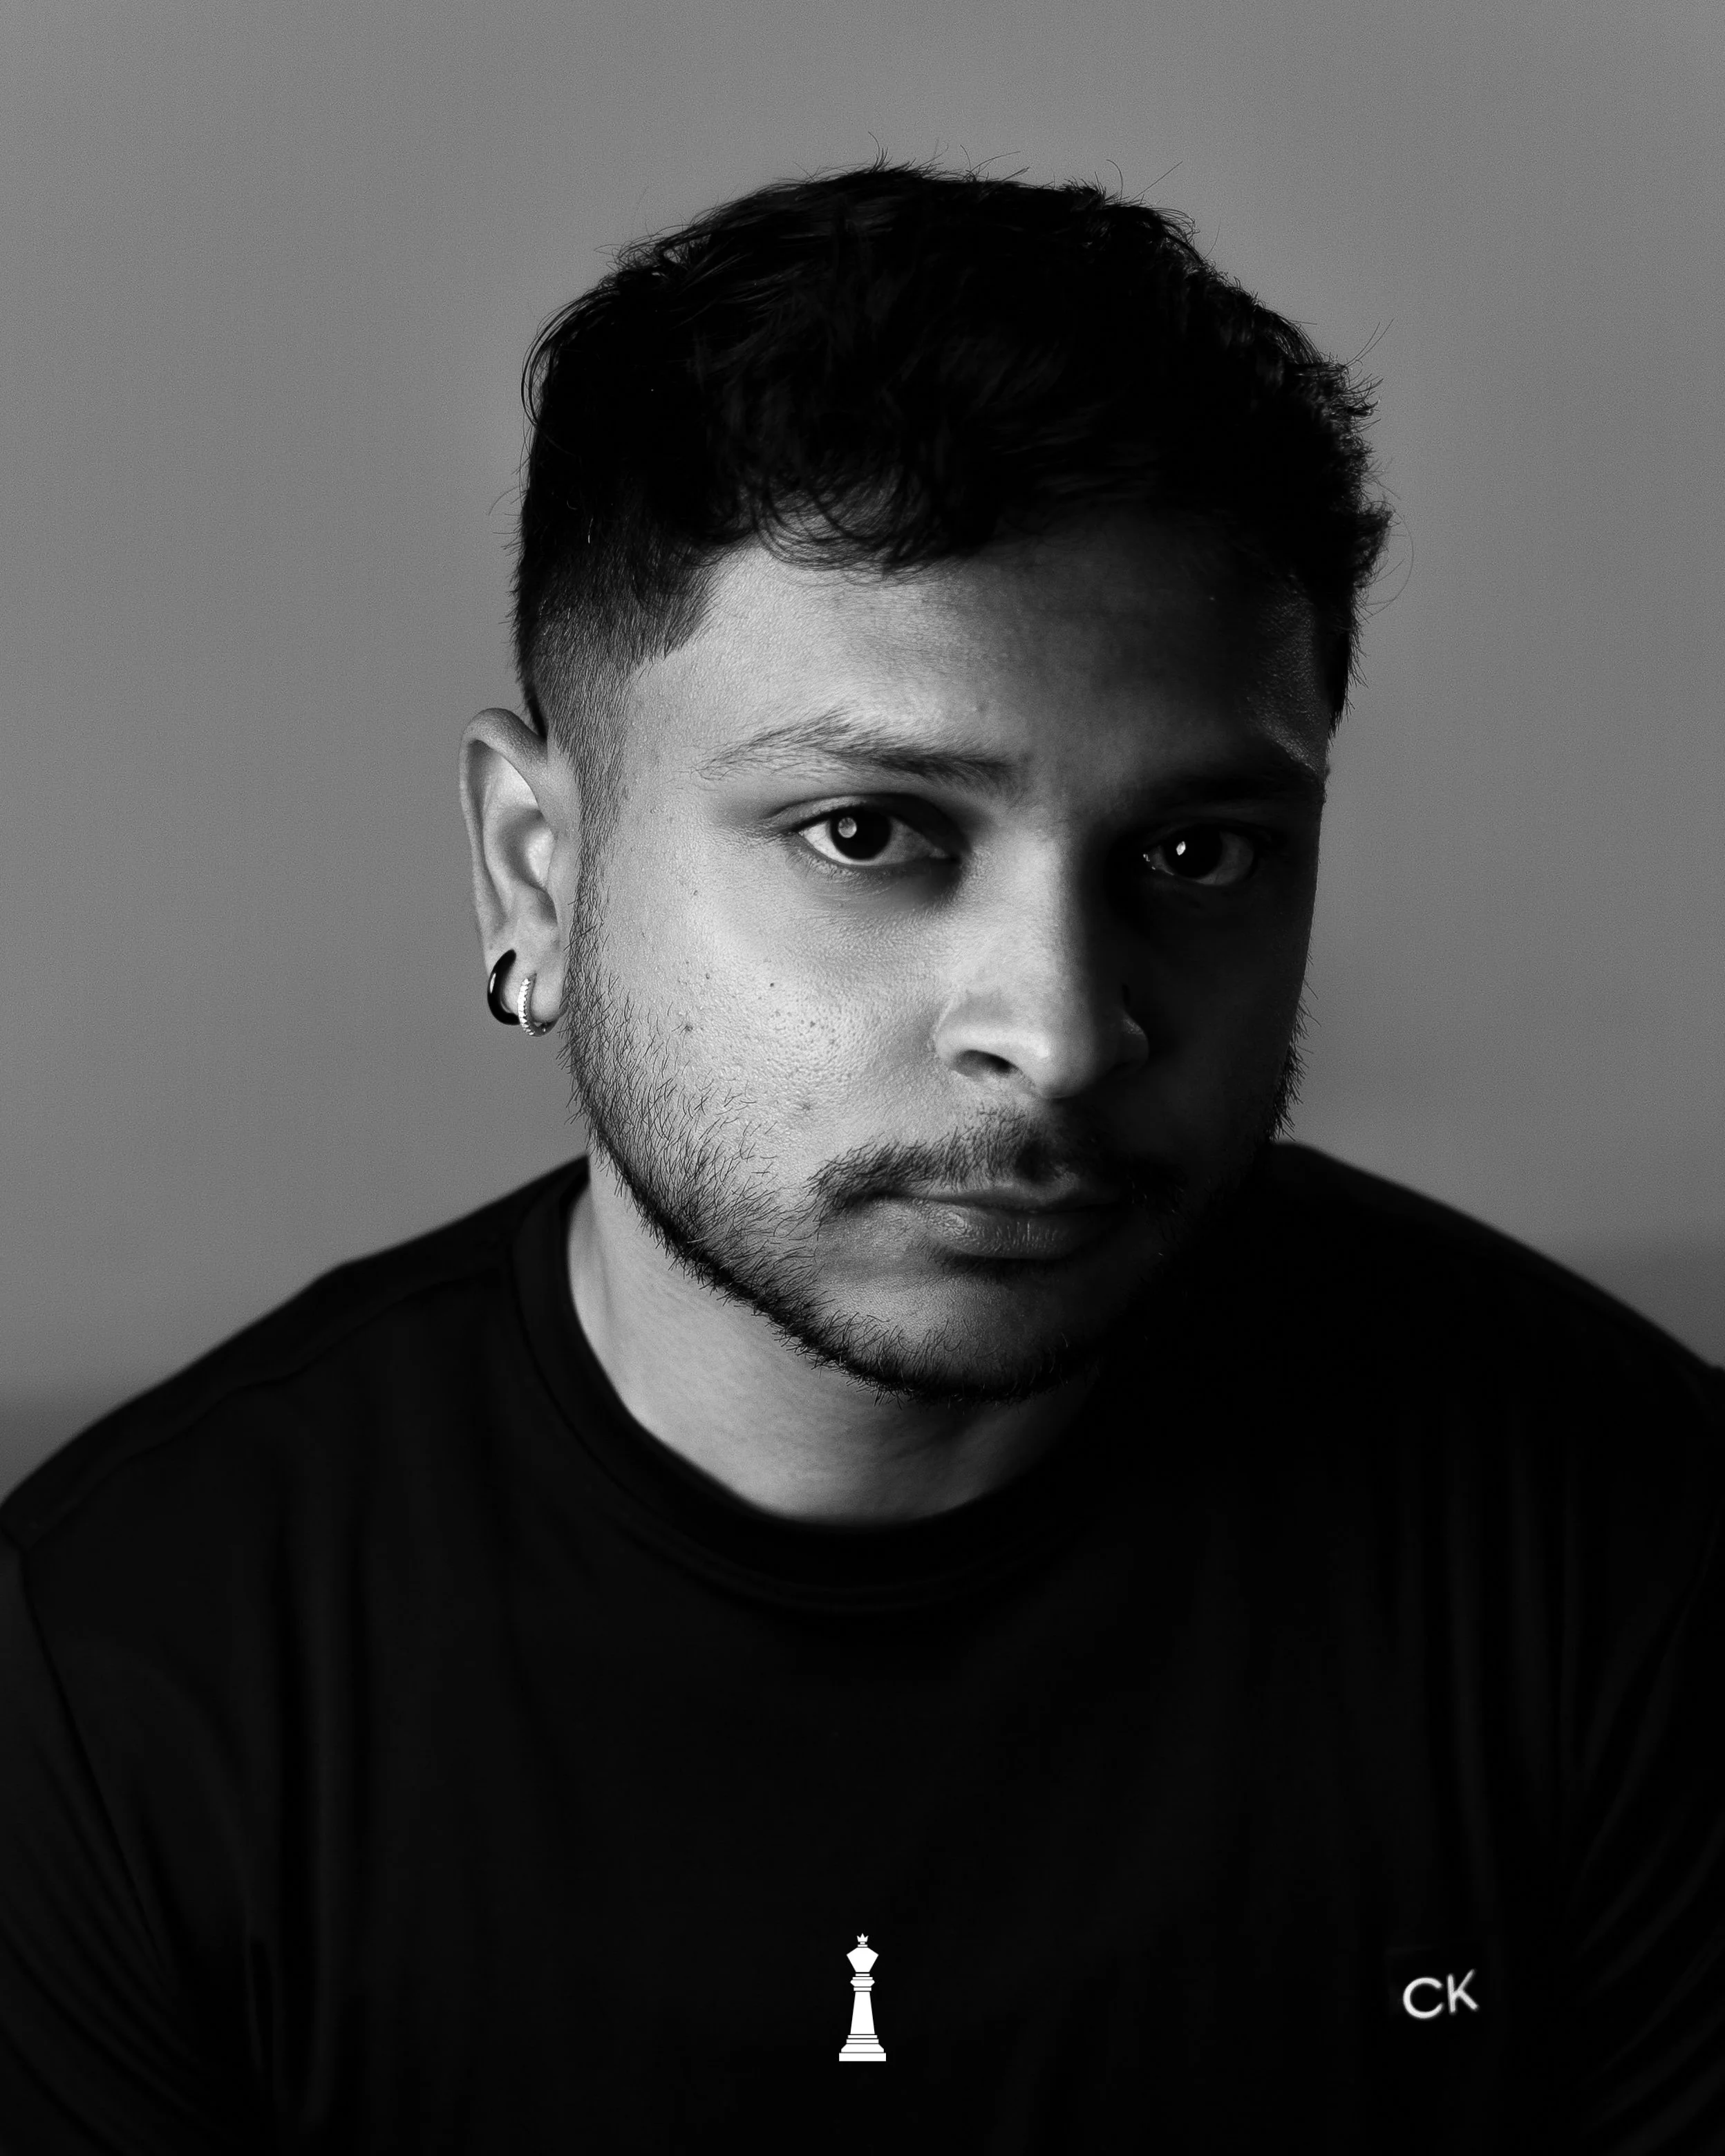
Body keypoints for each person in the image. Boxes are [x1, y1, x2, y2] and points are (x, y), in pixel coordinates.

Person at [1, 163, 1719, 2155]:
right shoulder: (123, 1690)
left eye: (1197, 855)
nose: (1065, 1031)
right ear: (535, 872)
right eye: (870, 832)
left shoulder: (1626, 1566)